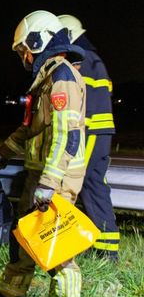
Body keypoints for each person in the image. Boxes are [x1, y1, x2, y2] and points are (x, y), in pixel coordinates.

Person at [0, 10, 87, 297]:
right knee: (26, 234)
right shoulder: (45, 80)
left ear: (37, 40)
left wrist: (49, 183)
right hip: (40, 173)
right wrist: (1, 154)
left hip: (56, 176)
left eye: (23, 50)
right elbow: (31, 129)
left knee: (54, 238)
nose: (24, 58)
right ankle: (11, 292)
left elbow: (65, 137)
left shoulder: (61, 78)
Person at [58, 14, 120, 261]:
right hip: (98, 131)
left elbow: (83, 102)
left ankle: (106, 251)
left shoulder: (85, 60)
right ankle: (104, 248)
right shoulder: (94, 59)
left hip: (91, 130)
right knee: (93, 186)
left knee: (87, 185)